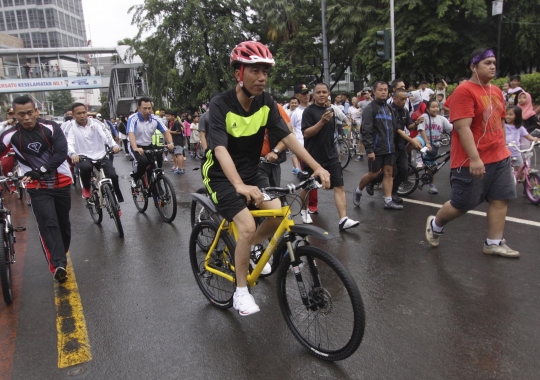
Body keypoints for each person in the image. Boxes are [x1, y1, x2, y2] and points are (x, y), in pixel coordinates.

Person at [202, 41, 330, 316]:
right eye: (255, 71)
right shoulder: (220, 104)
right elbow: (220, 148)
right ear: (239, 73)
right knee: (246, 225)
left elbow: (288, 137)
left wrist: (316, 167)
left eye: (265, 72)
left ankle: (252, 250)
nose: (262, 77)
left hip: (251, 171)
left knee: (278, 214)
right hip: (220, 175)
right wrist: (238, 185)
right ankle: (240, 292)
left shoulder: (267, 103)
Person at [425, 47, 518, 258]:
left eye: (494, 62)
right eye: (487, 63)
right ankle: (436, 224)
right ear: (473, 66)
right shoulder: (464, 91)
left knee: (500, 198)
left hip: (499, 157)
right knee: (462, 204)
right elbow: (462, 127)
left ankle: (493, 243)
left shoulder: (495, 91)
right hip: (470, 160)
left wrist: (503, 148)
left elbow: (500, 122)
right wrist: (475, 158)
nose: (493, 66)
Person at [0, 95, 72, 281]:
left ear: (36, 112)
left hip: (61, 180)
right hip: (36, 185)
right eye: (21, 114)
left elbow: (61, 153)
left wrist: (40, 170)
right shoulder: (10, 135)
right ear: (15, 115)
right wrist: (34, 174)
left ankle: (60, 254)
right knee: (49, 223)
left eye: (29, 113)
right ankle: (58, 264)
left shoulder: (51, 127)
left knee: (63, 225)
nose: (26, 117)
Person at [300, 82, 360, 228]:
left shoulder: (331, 110)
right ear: (313, 95)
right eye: (318, 92)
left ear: (328, 95)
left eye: (324, 92)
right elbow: (306, 133)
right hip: (312, 157)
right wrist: (321, 122)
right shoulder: (309, 111)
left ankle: (343, 219)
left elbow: (338, 128)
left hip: (331, 155)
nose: (321, 95)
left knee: (339, 186)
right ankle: (304, 210)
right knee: (308, 186)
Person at [363, 89, 423, 202]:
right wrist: (412, 141)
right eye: (401, 99)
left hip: (400, 145)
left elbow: (409, 126)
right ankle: (373, 182)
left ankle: (393, 192)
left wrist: (416, 123)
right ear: (394, 98)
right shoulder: (389, 110)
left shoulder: (404, 111)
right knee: (390, 171)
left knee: (404, 169)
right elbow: (397, 130)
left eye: (405, 99)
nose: (404, 101)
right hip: (390, 145)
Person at [353, 81, 403, 210]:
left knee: (389, 172)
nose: (383, 92)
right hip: (376, 149)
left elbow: (393, 129)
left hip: (389, 148)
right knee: (373, 174)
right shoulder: (370, 108)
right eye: (380, 89)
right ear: (374, 92)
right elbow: (366, 130)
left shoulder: (389, 109)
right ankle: (358, 190)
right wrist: (369, 150)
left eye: (385, 89)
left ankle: (388, 200)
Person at [67, 103, 123, 202]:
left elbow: (106, 136)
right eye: (79, 113)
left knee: (113, 175)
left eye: (84, 112)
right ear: (74, 115)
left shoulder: (96, 123)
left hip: (100, 155)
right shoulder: (70, 127)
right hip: (82, 156)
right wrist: (73, 154)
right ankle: (87, 187)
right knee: (85, 168)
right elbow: (69, 142)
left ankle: (117, 199)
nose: (82, 115)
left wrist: (113, 146)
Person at [126, 97, 174, 186]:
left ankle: (155, 184)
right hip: (135, 145)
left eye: (149, 108)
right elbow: (131, 133)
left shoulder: (155, 119)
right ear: (138, 108)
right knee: (143, 162)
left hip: (148, 144)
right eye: (144, 108)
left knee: (158, 160)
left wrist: (170, 143)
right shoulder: (133, 118)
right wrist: (135, 148)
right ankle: (135, 178)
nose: (147, 111)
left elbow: (166, 131)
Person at [408, 99, 453, 194]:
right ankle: (403, 156)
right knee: (413, 142)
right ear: (427, 109)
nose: (435, 109)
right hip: (423, 140)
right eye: (433, 107)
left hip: (435, 145)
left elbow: (451, 128)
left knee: (431, 167)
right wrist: (427, 143)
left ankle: (431, 186)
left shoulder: (442, 119)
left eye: (437, 107)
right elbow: (421, 130)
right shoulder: (424, 117)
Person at [505, 106, 538, 180]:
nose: (507, 116)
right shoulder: (503, 126)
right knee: (506, 173)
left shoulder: (519, 127)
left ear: (517, 116)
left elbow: (528, 136)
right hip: (505, 153)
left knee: (521, 172)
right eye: (506, 114)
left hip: (516, 152)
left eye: (510, 115)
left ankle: (525, 185)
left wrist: (534, 139)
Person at [290, 84, 310, 176]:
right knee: (308, 176)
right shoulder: (295, 113)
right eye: (303, 93)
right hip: (303, 148)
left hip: (315, 147)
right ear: (297, 96)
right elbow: (291, 130)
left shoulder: (314, 109)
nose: (306, 95)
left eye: (307, 93)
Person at [166, 110, 185, 174]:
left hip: (178, 140)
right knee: (180, 154)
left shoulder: (176, 122)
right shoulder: (175, 122)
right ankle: (181, 168)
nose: (168, 117)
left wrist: (170, 131)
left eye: (169, 116)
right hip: (178, 140)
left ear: (173, 116)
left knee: (179, 154)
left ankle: (181, 169)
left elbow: (178, 132)